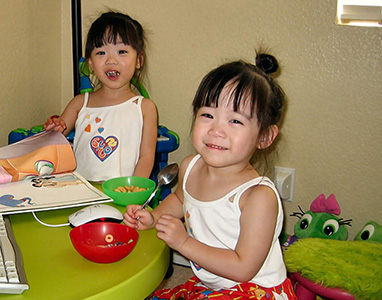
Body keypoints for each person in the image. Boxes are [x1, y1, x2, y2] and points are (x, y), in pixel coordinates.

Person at [123, 52, 297, 299]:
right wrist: (153, 217)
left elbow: (243, 267)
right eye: (207, 115)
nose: (216, 130)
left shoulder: (258, 197)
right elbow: (180, 200)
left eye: (235, 121)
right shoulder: (190, 166)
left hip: (253, 290)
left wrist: (183, 244)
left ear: (264, 136)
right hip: (213, 285)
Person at [44, 11, 158, 182]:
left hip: (121, 196)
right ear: (90, 63)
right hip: (81, 192)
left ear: (138, 61)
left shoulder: (144, 108)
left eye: (121, 51)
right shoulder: (80, 103)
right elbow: (55, 138)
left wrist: (133, 190)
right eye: (101, 53)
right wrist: (55, 127)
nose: (111, 60)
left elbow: (147, 158)